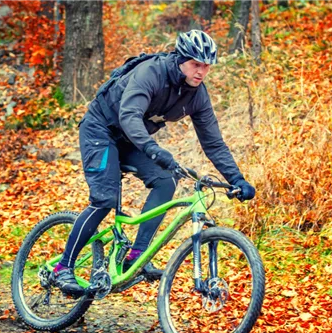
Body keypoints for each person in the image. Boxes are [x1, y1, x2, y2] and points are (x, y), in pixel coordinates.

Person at [52, 30, 256, 297]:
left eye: (206, 66)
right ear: (180, 59)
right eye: (196, 64)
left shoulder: (197, 95)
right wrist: (152, 149)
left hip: (131, 140)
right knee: (104, 198)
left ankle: (136, 256)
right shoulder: (151, 73)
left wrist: (237, 179)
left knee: (166, 179)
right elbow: (129, 115)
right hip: (100, 130)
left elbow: (214, 144)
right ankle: (62, 267)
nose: (202, 72)